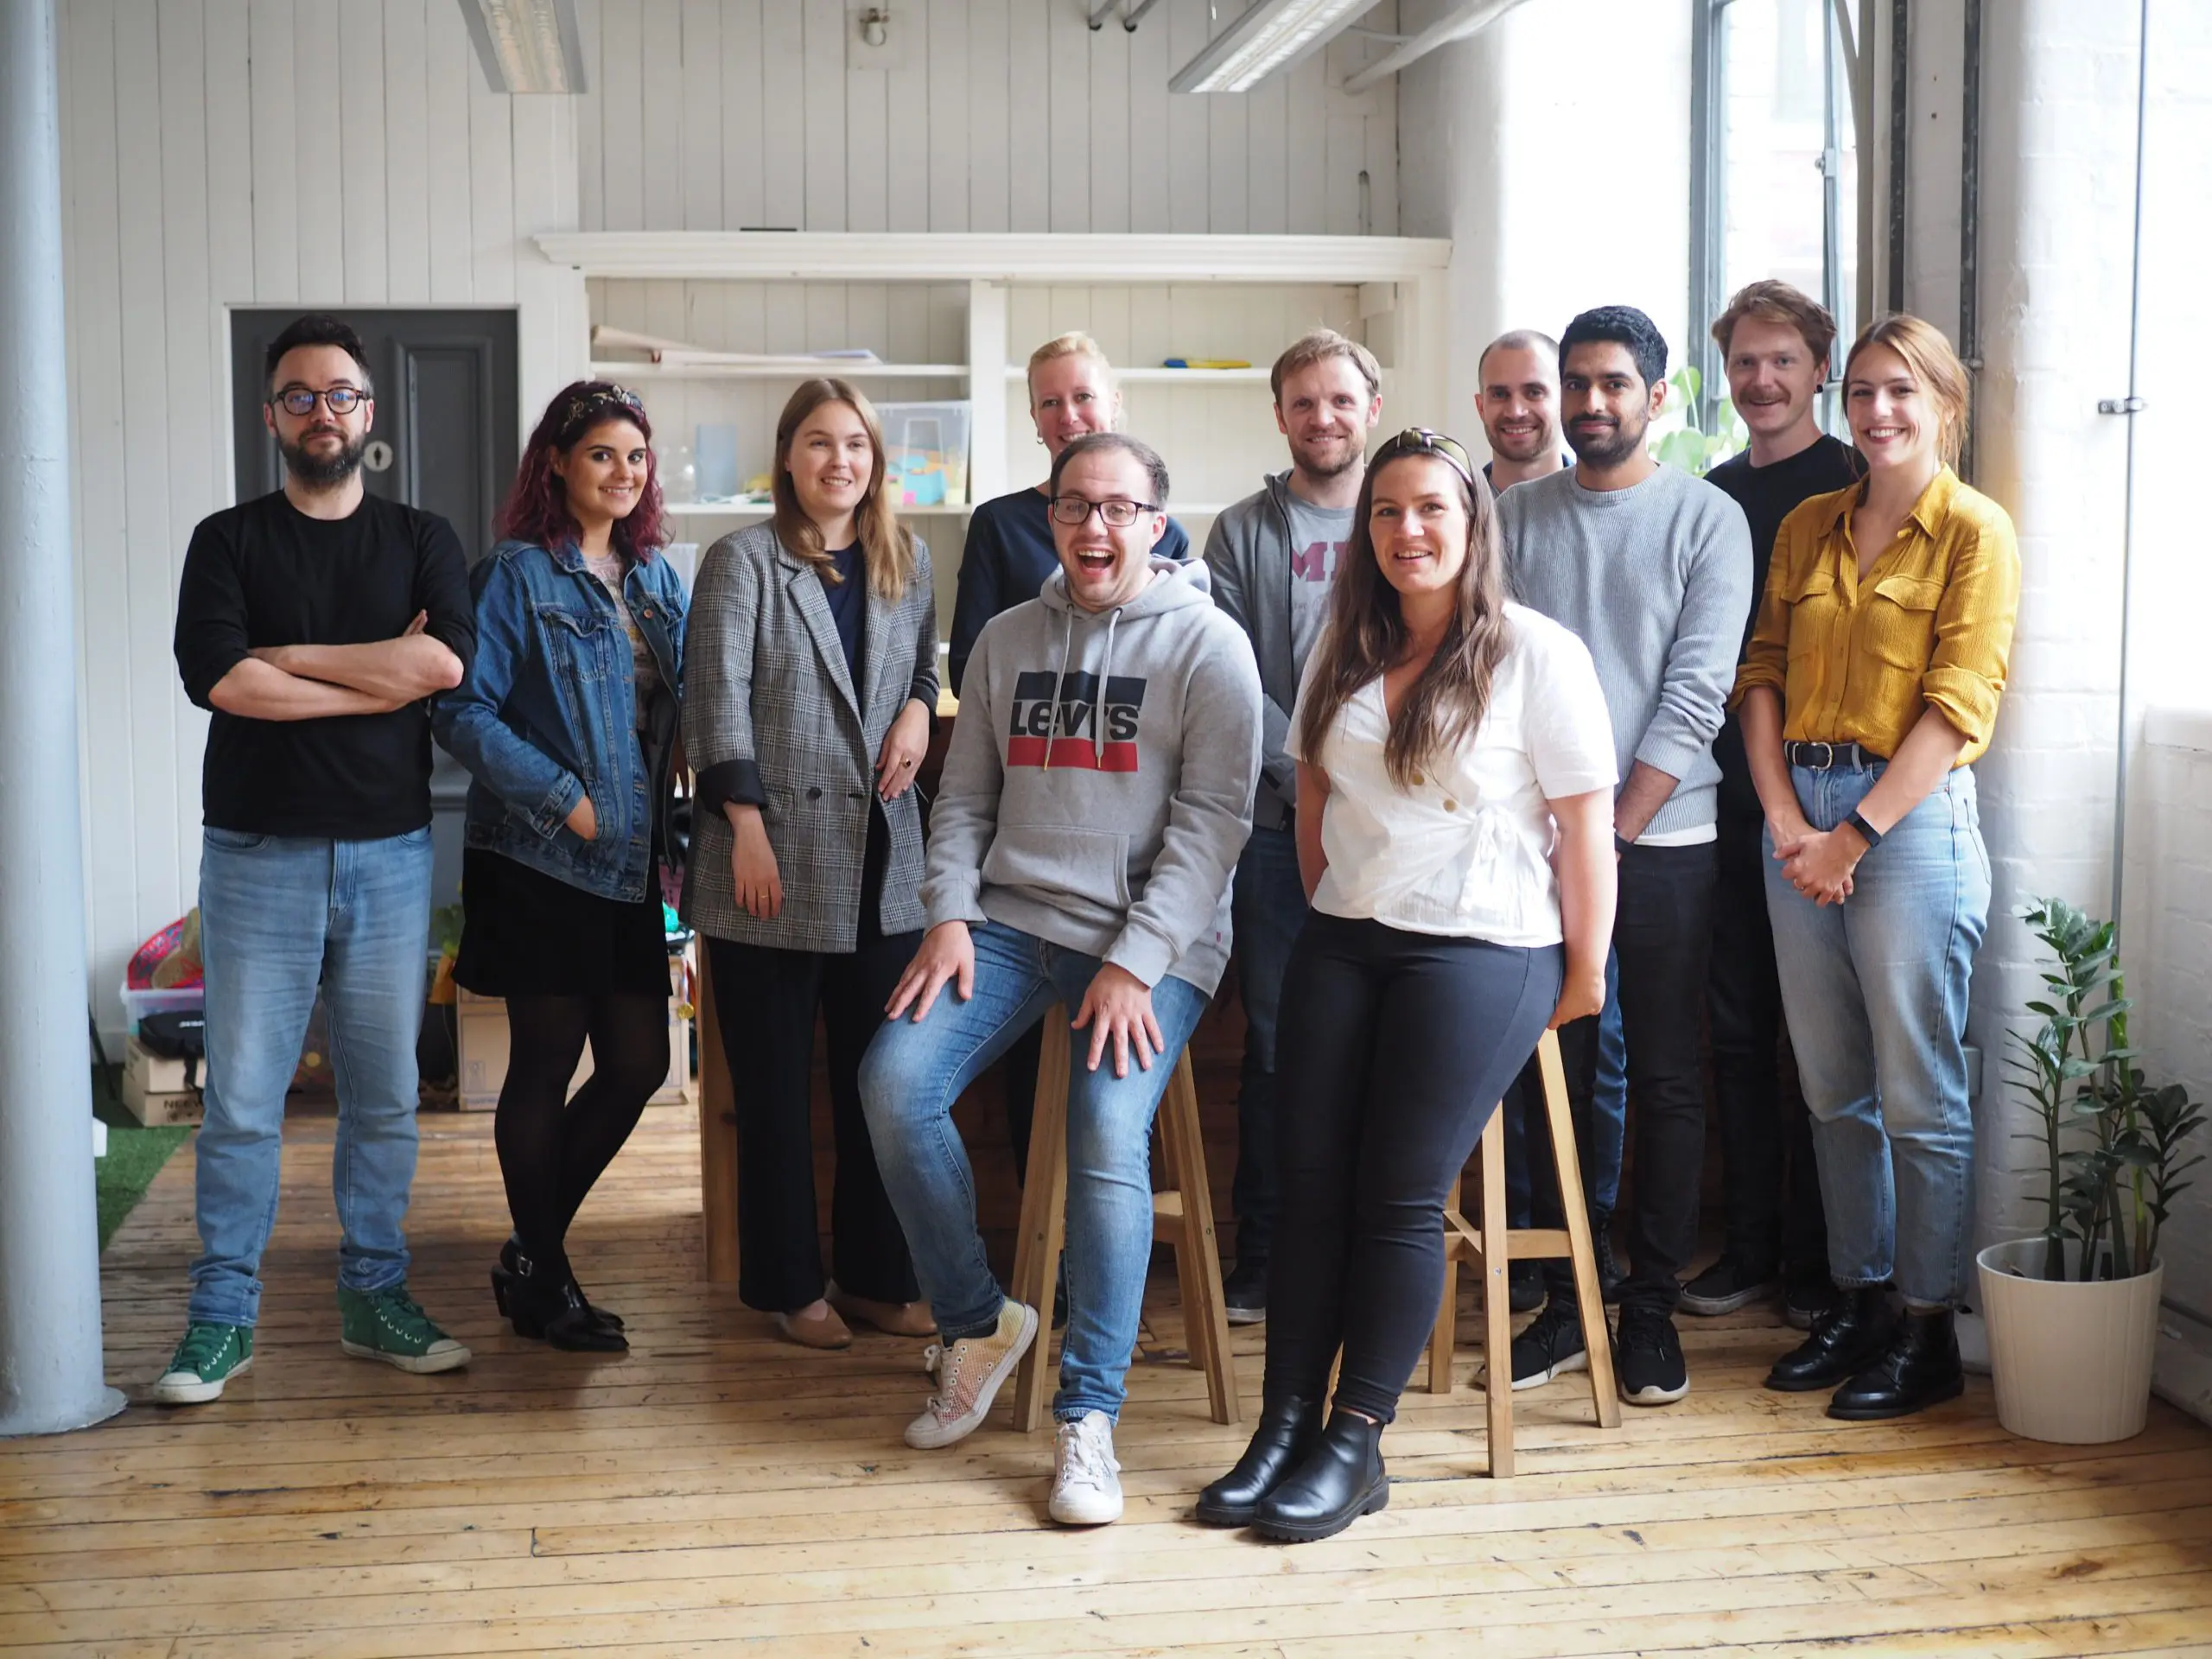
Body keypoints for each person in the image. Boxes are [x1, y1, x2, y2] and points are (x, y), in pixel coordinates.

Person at [1197, 428, 1618, 1543]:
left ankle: (1355, 1440)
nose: (1407, 531)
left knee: (1393, 1191)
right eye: (1386, 512)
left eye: (1432, 508)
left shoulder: (1536, 653)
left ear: (1474, 523)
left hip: (1483, 946)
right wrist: (1337, 903)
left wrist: (1582, 972)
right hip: (1350, 934)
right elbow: (1317, 802)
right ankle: (1284, 1423)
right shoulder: (1345, 644)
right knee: (1304, 1182)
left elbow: (1587, 832)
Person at [859, 432, 1262, 1528]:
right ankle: (980, 1320)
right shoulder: (1002, 640)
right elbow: (962, 806)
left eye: (1119, 509)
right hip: (1007, 922)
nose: (1096, 528)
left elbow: (1213, 829)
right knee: (893, 1085)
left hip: (1153, 941)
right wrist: (948, 915)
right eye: (1076, 506)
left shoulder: (1210, 649)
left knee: (1102, 1127)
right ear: (1050, 515)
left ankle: (1089, 1420)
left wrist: (1137, 963)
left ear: (1155, 521)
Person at [158, 314, 475, 1403]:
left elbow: (441, 664)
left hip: (389, 857)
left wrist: (290, 656)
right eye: (300, 395)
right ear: (272, 416)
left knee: (383, 1099)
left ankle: (373, 1297)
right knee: (244, 1103)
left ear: (369, 415)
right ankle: (220, 1318)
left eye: (341, 394)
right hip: (257, 858)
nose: (322, 412)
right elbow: (223, 682)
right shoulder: (227, 541)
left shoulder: (423, 536)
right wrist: (370, 672)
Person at [1738, 315, 2017, 1420]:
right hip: (1792, 816)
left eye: (1899, 390)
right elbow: (1759, 672)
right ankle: (1856, 1300)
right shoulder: (1809, 524)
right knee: (1830, 1088)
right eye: (1860, 392)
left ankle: (1924, 1328)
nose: (1877, 412)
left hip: (1905, 830)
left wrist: (1849, 838)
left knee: (1917, 1092)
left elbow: (1959, 704)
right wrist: (1783, 821)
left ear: (1943, 403)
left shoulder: (1972, 532)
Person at [1496, 306, 1751, 1408]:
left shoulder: (1707, 519)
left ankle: (1647, 1305)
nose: (1591, 402)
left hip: (1662, 839)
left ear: (1656, 396)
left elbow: (1696, 694)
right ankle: (1570, 1299)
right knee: (1549, 1070)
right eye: (1575, 384)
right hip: (1538, 846)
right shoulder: (1511, 515)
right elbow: (1488, 669)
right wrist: (1555, 834)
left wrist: (1608, 828)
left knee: (1663, 1074)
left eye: (1613, 384)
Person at [681, 380, 939, 1351]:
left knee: (881, 1084)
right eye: (821, 444)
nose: (842, 462)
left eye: (859, 447)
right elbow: (716, 700)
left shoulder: (903, 560)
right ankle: (790, 1288)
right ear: (787, 456)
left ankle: (878, 1277)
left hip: (882, 864)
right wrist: (744, 825)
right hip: (769, 860)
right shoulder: (742, 560)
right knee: (777, 1090)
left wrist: (917, 707)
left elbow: (921, 669)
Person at [431, 381, 687, 1353]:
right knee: (544, 1066)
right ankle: (542, 1276)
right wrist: (561, 798)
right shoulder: (512, 576)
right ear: (556, 465)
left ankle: (530, 1255)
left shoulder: (658, 579)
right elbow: (460, 710)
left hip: (628, 864)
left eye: (635, 457)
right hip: (539, 857)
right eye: (600, 457)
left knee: (636, 1065)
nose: (621, 474)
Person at [947, 333, 1193, 1195]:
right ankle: (1035, 1227)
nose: (1068, 416)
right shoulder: (999, 524)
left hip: (1130, 857)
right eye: (1050, 403)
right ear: (1032, 417)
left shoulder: (1162, 525)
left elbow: (1174, 674)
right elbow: (968, 666)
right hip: (1030, 842)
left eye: (1082, 398)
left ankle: (1103, 1227)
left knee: (1112, 1088)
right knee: (1022, 1057)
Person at [1687, 281, 1865, 1330]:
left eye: (1781, 362)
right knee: (1741, 1032)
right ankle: (1751, 1246)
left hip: (1831, 806)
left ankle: (1821, 1263)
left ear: (1817, 371)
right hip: (1725, 799)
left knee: (1824, 1043)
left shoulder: (1852, 481)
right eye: (1745, 362)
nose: (1760, 380)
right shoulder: (1708, 494)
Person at [1203, 327, 1384, 1325]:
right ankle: (1266, 1254)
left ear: (1370, 407)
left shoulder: (1414, 509)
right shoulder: (1240, 531)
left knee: (1379, 1042)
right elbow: (1233, 679)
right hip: (1279, 829)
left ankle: (1365, 1248)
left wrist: (1376, 788)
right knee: (1276, 1045)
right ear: (1280, 417)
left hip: (1398, 829)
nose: (1322, 418)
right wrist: (1312, 777)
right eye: (1303, 403)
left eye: (1339, 400)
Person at [1477, 327, 1627, 1313]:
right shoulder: (1477, 511)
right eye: (1507, 392)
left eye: (1546, 388)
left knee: (1595, 1045)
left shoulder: (1601, 506)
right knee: (1511, 1061)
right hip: (1511, 836)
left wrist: (1605, 821)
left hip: (1610, 826)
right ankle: (1523, 1256)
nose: (1527, 407)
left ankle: (1586, 1260)